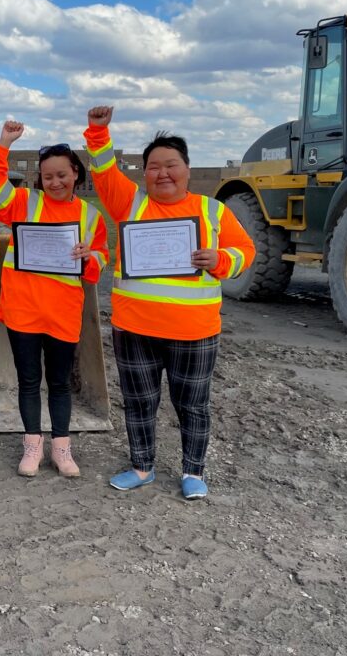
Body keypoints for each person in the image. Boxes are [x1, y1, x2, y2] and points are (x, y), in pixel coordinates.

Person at [83, 106, 255, 500]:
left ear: (187, 169)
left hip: (194, 332)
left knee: (192, 405)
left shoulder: (213, 211)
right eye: (154, 166)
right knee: (139, 402)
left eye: (171, 165)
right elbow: (106, 172)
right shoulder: (132, 205)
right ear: (144, 173)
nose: (163, 173)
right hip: (135, 330)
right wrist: (98, 132)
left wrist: (222, 260)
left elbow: (246, 250)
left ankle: (193, 472)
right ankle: (142, 466)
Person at [0, 121, 109, 477]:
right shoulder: (23, 203)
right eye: (48, 176)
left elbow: (101, 258)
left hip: (63, 314)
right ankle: (32, 446)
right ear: (40, 179)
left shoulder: (90, 216)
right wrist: (4, 142)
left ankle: (62, 449)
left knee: (60, 382)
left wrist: (89, 257)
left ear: (76, 175)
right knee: (28, 380)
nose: (55, 182)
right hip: (23, 310)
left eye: (62, 175)